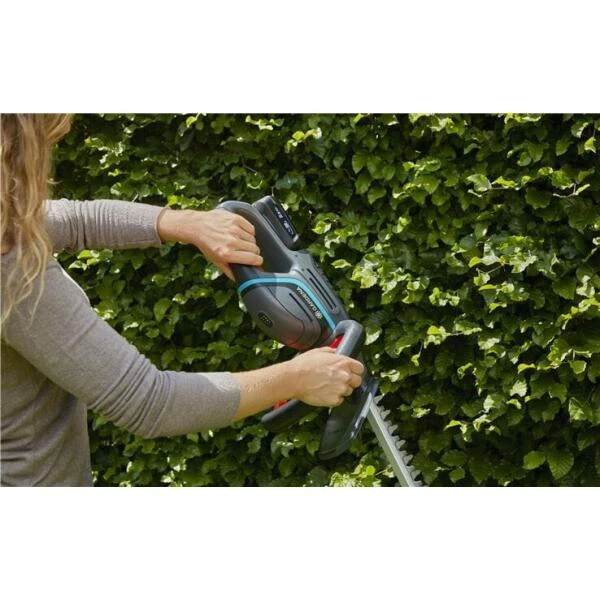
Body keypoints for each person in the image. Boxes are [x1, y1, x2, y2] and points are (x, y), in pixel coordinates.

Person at [0, 114, 364, 486]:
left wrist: (188, 224)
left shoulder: (7, 223)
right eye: (49, 139)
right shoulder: (11, 267)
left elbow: (69, 218)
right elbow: (150, 403)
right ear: (17, 145)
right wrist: (296, 378)